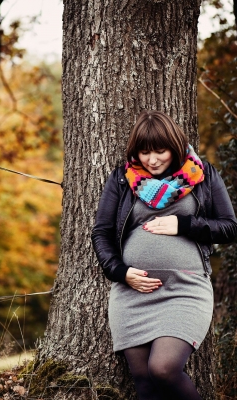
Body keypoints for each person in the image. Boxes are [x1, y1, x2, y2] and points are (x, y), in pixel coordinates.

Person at [91, 110, 237, 400]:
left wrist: (184, 224)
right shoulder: (123, 179)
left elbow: (230, 227)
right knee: (143, 379)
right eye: (144, 152)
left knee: (163, 369)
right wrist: (120, 272)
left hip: (185, 289)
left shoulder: (204, 175)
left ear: (175, 147)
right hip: (132, 293)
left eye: (160, 151)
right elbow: (102, 232)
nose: (153, 160)